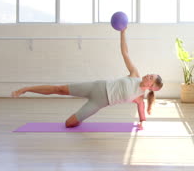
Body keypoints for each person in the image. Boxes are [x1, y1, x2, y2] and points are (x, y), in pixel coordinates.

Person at [11, 28, 163, 130]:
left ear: (151, 87)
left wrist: (142, 123)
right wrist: (122, 32)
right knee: (60, 89)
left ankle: (81, 116)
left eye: (152, 77)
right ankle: (25, 89)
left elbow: (142, 117)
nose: (149, 74)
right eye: (151, 73)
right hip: (97, 87)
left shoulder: (139, 98)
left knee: (69, 124)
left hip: (99, 102)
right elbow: (125, 53)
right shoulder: (135, 74)